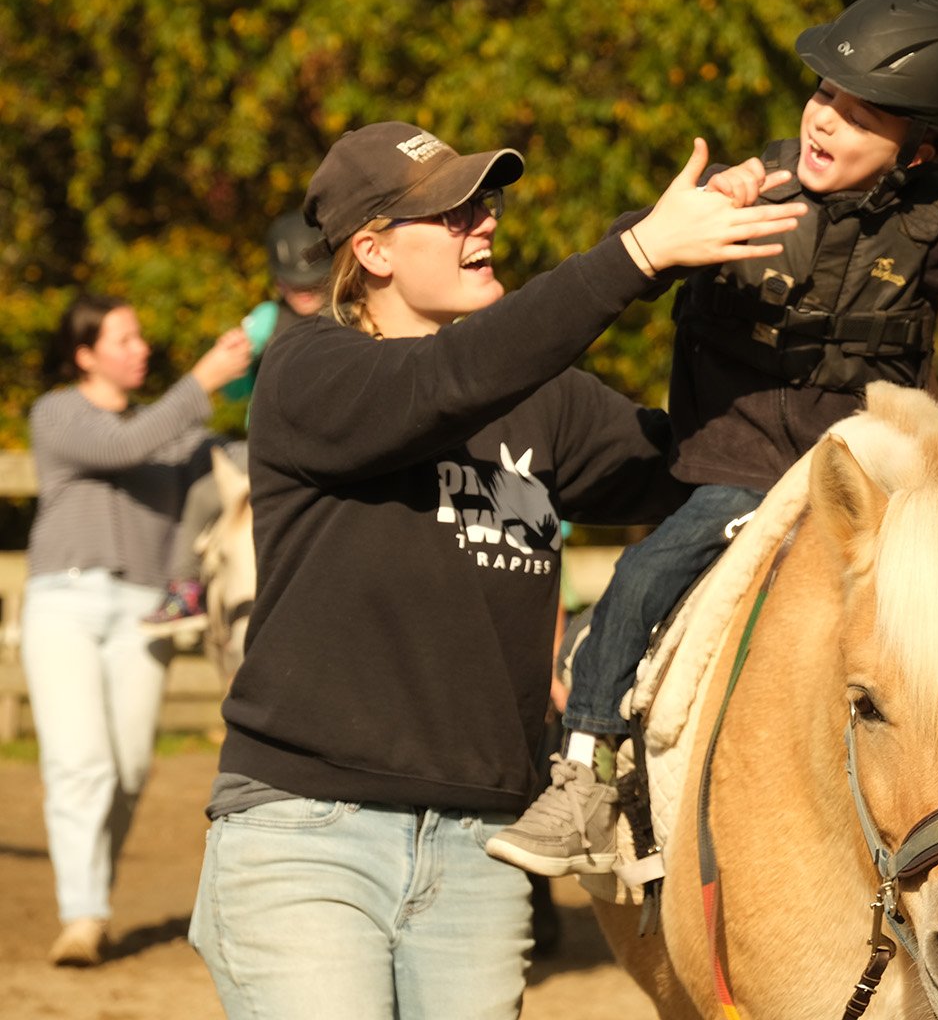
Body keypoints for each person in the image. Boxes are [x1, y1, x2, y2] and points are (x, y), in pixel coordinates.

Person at [484, 0, 938, 877]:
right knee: (639, 578)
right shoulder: (742, 199)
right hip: (741, 471)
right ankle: (585, 776)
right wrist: (682, 224)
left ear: (921, 150)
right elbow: (628, 250)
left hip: (886, 465)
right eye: (826, 94)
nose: (827, 120)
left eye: (863, 115)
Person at [186, 121, 806, 1019]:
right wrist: (636, 252)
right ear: (373, 250)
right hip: (305, 838)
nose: (486, 223)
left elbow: (707, 469)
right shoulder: (309, 370)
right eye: (452, 212)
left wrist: (739, 302)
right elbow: (443, 384)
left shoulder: (542, 403)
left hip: (481, 847)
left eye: (487, 203)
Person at [23, 295, 250, 966]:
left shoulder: (174, 436)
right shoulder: (57, 414)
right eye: (123, 339)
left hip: (143, 612)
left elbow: (232, 459)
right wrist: (204, 379)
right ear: (85, 354)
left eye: (139, 337)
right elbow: (122, 446)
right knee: (80, 764)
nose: (140, 348)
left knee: (126, 770)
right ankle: (82, 916)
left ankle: (92, 895)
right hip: (63, 603)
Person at [143, 209, 331, 634]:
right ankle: (186, 589)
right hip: (269, 445)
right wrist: (236, 358)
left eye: (311, 281)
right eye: (291, 282)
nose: (301, 291)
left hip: (328, 443)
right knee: (205, 494)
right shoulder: (266, 319)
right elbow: (233, 390)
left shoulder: (349, 314)